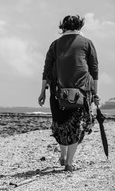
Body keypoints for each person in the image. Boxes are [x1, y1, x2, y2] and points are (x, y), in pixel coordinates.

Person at [38, 15, 100, 172]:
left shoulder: (55, 44)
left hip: (58, 93)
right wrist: (95, 93)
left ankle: (63, 155)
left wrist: (42, 92)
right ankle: (69, 163)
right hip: (81, 94)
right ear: (80, 26)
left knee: (60, 125)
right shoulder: (87, 43)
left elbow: (46, 70)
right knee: (76, 128)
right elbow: (94, 70)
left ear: (63, 27)